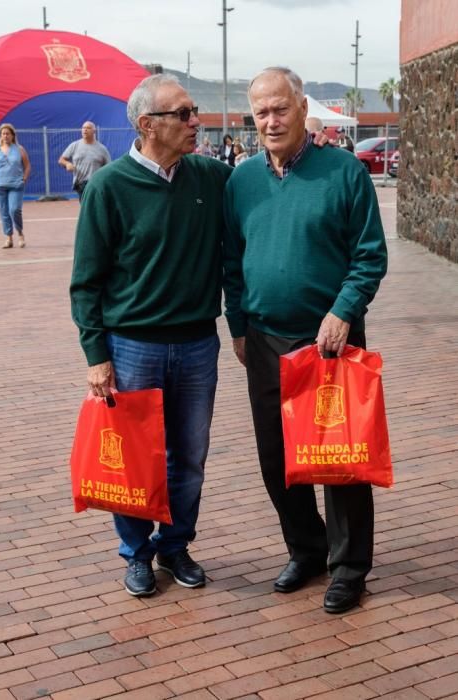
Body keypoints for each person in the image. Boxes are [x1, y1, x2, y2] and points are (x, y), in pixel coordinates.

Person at [223, 67, 387, 614]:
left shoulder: (343, 173)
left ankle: (349, 568)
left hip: (330, 340)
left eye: (280, 109)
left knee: (340, 459)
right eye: (261, 112)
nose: (270, 121)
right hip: (265, 339)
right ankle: (307, 549)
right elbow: (232, 262)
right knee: (277, 458)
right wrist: (238, 325)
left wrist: (343, 311)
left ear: (301, 109)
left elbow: (369, 256)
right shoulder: (242, 180)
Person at [69, 74, 231, 598]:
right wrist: (97, 355)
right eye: (182, 114)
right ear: (147, 125)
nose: (194, 122)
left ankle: (176, 545)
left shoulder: (211, 178)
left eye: (194, 111)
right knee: (134, 456)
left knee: (190, 455)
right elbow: (86, 282)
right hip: (132, 347)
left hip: (197, 345)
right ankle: (136, 553)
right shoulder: (108, 187)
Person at [0, 123, 31, 249]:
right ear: (0, 135)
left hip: (16, 185)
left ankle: (20, 233)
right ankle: (8, 237)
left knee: (14, 210)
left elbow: (27, 165)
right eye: (3, 133)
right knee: (3, 212)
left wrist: (24, 179)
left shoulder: (19, 149)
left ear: (13, 135)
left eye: (8, 133)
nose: (5, 136)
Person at [58, 121, 111, 200]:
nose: (85, 130)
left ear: (94, 131)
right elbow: (61, 160)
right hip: (80, 182)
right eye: (83, 128)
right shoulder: (74, 145)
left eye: (88, 128)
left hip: (95, 182)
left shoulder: (102, 149)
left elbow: (108, 166)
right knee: (88, 205)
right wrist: (67, 164)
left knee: (90, 205)